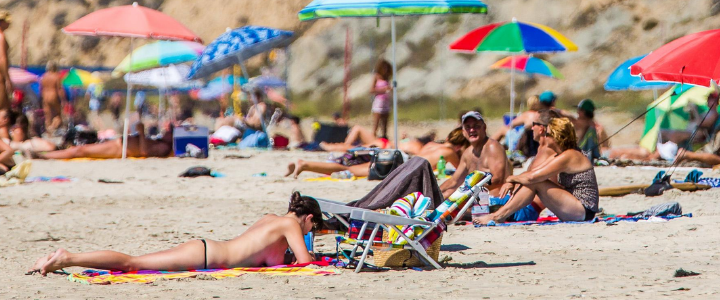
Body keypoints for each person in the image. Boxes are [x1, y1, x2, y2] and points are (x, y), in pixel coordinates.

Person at [28, 192, 321, 275]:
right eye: (313, 227)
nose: (309, 232)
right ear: (308, 218)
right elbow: (305, 263)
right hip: (206, 255)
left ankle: (55, 258)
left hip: (207, 249)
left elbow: (269, 258)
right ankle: (68, 258)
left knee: (135, 262)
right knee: (132, 264)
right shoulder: (291, 225)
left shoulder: (271, 219)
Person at [474, 117, 600, 225]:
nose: (544, 137)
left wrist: (510, 179)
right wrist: (512, 181)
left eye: (547, 134)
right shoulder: (559, 155)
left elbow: (533, 178)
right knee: (534, 181)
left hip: (584, 210)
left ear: (557, 137)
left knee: (536, 182)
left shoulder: (570, 156)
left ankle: (497, 216)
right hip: (575, 208)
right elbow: (533, 172)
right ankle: (498, 215)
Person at [286, 127, 469, 179]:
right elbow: (462, 171)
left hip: (397, 157)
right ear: (461, 145)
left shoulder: (433, 145)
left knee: (350, 168)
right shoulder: (450, 152)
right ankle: (305, 165)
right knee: (350, 170)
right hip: (400, 164)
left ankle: (305, 164)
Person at [440, 111, 509, 198]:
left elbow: (498, 179)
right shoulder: (468, 153)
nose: (472, 130)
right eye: (468, 127)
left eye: (476, 126)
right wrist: (435, 192)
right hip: (476, 199)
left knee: (451, 197)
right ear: (463, 131)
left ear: (484, 128)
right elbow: (454, 181)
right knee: (446, 194)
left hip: (495, 199)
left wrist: (469, 191)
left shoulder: (492, 147)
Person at [38, 122, 173, 159]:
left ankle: (45, 156)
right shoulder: (159, 141)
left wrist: (142, 132)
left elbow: (144, 152)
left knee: (80, 150)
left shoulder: (163, 147)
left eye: (169, 132)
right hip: (117, 144)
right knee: (80, 149)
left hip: (118, 149)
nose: (166, 131)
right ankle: (45, 155)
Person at [40, 61, 68, 135]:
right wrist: (63, 100)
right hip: (53, 96)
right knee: (58, 114)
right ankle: (53, 127)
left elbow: (41, 88)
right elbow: (59, 89)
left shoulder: (44, 76)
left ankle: (48, 130)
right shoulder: (56, 76)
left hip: (45, 96)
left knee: (48, 115)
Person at [319, 125, 392, 152]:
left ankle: (333, 147)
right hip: (383, 143)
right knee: (357, 128)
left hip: (383, 146)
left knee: (353, 148)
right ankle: (344, 145)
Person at [371, 59, 392, 138]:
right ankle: (373, 136)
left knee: (385, 122)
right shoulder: (376, 76)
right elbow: (372, 90)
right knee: (376, 122)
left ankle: (384, 136)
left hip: (386, 101)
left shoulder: (387, 77)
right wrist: (383, 89)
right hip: (379, 101)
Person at [0, 11, 12, 112]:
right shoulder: (1, 36)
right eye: (7, 22)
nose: (9, 24)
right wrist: (7, 79)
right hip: (0, 77)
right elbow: (2, 59)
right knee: (3, 110)